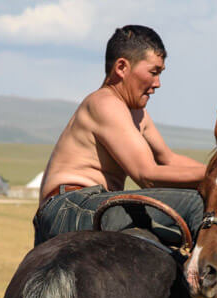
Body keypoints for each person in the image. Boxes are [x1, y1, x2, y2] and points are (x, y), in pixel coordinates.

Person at [33, 25, 206, 246]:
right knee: (195, 205)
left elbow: (169, 160)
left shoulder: (136, 113)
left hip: (93, 205)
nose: (158, 84)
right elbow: (148, 175)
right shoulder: (105, 103)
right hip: (70, 206)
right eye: (153, 72)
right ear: (122, 67)